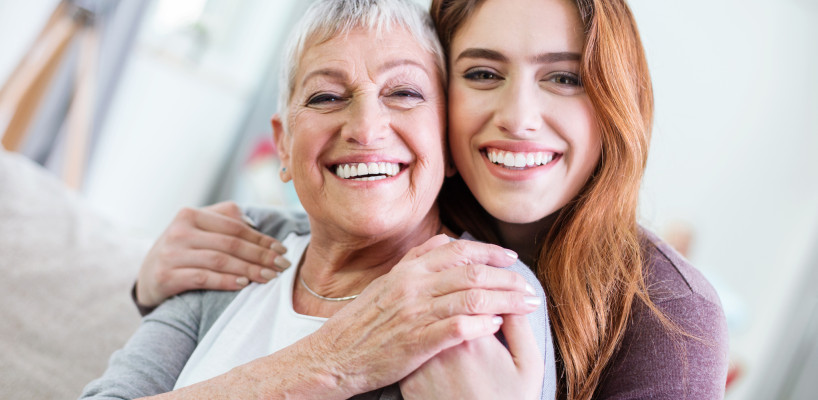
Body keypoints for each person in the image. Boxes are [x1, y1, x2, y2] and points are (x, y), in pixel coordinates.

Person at [135, 0, 730, 398]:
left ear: (615, 99)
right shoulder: (337, 229)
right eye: (482, 74)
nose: (518, 118)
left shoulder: (669, 313)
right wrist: (153, 284)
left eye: (564, 77)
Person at [81, 0, 554, 398]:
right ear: (283, 144)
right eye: (326, 97)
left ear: (448, 143)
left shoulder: (480, 291)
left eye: (405, 92)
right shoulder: (240, 244)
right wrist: (330, 362)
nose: (366, 129)